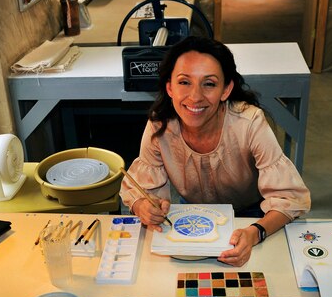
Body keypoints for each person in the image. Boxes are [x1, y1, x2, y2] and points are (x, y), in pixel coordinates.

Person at [119, 37, 311, 267]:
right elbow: (144, 193)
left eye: (209, 84)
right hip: (192, 216)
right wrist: (143, 206)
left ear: (226, 89)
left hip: (249, 215)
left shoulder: (249, 122)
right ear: (170, 87)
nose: (195, 97)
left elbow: (289, 199)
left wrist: (255, 232)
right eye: (184, 82)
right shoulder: (159, 126)